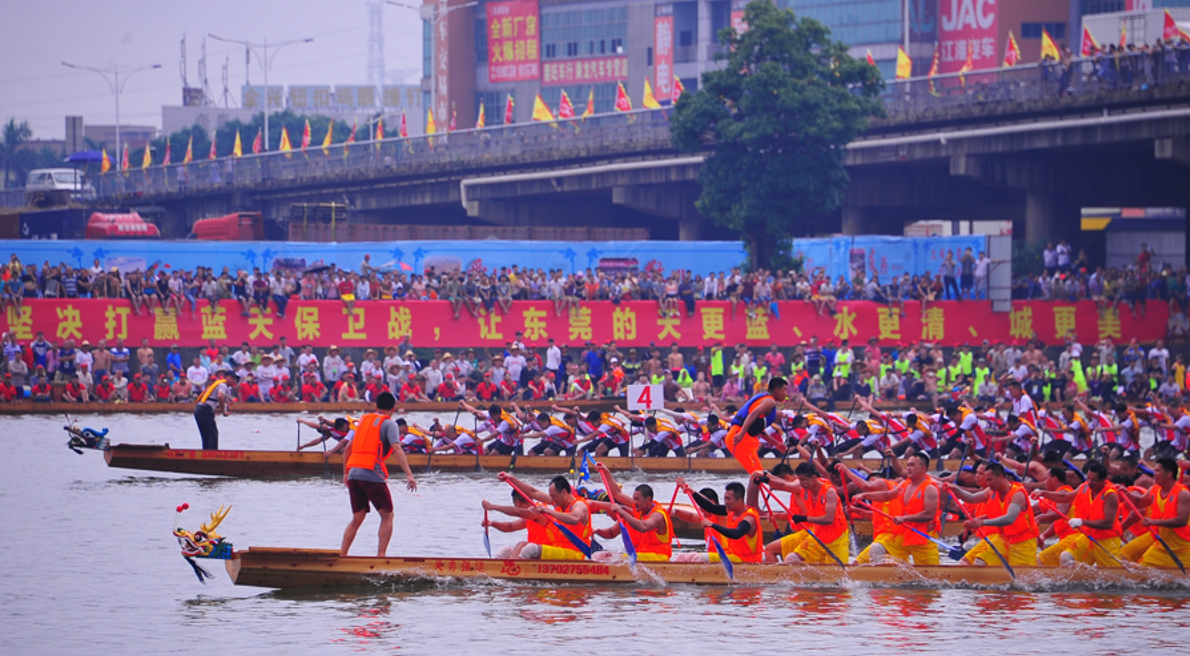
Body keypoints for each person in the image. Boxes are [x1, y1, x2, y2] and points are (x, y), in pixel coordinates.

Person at [339, 392, 418, 557]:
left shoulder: (363, 421)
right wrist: (409, 475)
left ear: (376, 407)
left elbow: (347, 448)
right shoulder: (390, 424)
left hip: (353, 473)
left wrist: (346, 473)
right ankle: (381, 556)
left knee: (357, 518)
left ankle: (343, 555)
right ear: (393, 409)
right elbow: (397, 449)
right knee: (387, 516)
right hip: (372, 473)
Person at [944, 461, 1039, 567]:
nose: (988, 483)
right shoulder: (991, 491)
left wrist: (982, 522)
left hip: (1023, 541)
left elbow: (1010, 518)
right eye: (986, 480)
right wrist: (955, 489)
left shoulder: (1017, 494)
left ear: (1001, 477)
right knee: (979, 563)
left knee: (1023, 580)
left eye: (990, 480)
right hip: (1003, 539)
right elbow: (971, 498)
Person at [852, 452, 941, 565]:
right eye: (908, 465)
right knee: (876, 548)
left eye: (912, 465)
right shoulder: (905, 484)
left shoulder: (930, 488)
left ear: (923, 468)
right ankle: (881, 577)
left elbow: (929, 515)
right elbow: (887, 495)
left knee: (933, 577)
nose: (908, 468)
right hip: (903, 535)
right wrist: (864, 496)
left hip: (923, 538)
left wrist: (904, 518)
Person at [1035, 460, 1123, 567]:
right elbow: (1065, 498)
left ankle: (1140, 571)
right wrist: (1043, 493)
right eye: (1088, 478)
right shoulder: (1085, 486)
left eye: (1094, 480)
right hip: (1087, 537)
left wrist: (1082, 522)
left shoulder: (1110, 495)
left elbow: (1108, 523)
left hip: (1106, 540)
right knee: (1065, 557)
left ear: (1103, 480)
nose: (1089, 482)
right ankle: (1082, 579)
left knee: (1116, 572)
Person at [762, 462, 849, 565]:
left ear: (812, 478)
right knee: (788, 558)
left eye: (803, 480)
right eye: (800, 480)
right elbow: (784, 485)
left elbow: (829, 519)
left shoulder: (829, 492)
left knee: (840, 576)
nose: (801, 483)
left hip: (836, 540)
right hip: (816, 536)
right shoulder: (806, 490)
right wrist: (765, 479)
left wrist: (804, 518)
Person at [497, 472, 592, 560]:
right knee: (511, 549)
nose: (552, 499)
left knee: (530, 549)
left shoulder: (579, 505)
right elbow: (533, 492)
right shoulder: (558, 503)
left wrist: (549, 511)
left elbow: (574, 518)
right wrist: (511, 478)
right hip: (558, 550)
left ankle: (513, 571)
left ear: (563, 492)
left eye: (554, 496)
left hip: (574, 554)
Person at [590, 463, 673, 563]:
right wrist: (606, 472)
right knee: (603, 556)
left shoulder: (657, 515)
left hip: (657, 557)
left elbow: (643, 527)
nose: (634, 502)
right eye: (634, 498)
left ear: (648, 500)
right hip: (642, 555)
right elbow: (617, 494)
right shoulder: (641, 508)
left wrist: (623, 513)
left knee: (614, 559)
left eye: (637, 499)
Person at [1119, 458, 1190, 568]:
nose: (1154, 474)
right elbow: (1139, 502)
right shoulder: (1154, 490)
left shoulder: (1183, 494)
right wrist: (1125, 492)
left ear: (1169, 474)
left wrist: (1153, 521)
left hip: (1184, 548)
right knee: (1137, 574)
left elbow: (1181, 521)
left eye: (1157, 471)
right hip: (1160, 547)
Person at [681, 480, 762, 563]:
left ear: (740, 500)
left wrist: (713, 525)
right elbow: (710, 507)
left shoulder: (749, 517)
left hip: (747, 559)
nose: (725, 502)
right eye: (725, 498)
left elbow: (736, 534)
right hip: (731, 556)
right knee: (682, 557)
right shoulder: (730, 511)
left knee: (700, 559)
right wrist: (691, 491)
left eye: (728, 499)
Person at [725, 377, 789, 473]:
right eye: (785, 390)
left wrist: (776, 444)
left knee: (758, 474)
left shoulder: (764, 398)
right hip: (740, 438)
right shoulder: (769, 401)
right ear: (776, 391)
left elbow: (759, 430)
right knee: (758, 475)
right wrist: (742, 433)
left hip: (742, 437)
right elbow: (753, 414)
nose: (786, 394)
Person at [481, 489, 554, 559]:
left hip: (547, 552)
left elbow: (518, 512)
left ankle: (508, 570)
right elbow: (511, 526)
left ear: (517, 502)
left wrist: (493, 507)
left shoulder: (538, 510)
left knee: (522, 545)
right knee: (506, 550)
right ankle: (494, 569)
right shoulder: (529, 517)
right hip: (534, 551)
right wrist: (492, 523)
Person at [194, 370, 237, 450]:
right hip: (205, 410)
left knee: (206, 434)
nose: (234, 381)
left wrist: (224, 406)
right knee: (213, 433)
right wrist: (223, 410)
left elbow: (214, 400)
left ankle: (205, 453)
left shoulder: (217, 384)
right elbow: (220, 396)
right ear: (227, 377)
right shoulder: (223, 385)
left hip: (198, 409)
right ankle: (213, 455)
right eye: (233, 378)